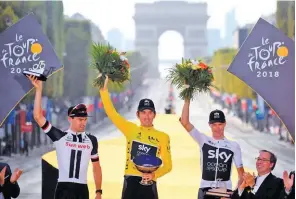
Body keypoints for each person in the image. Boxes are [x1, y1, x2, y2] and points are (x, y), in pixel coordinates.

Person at [28, 75, 103, 199]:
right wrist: (39, 89)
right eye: (80, 119)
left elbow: (96, 167)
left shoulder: (92, 140)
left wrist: (99, 192)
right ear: (70, 119)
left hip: (82, 189)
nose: (83, 123)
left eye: (85, 119)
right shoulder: (60, 137)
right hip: (64, 189)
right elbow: (37, 116)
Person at [99, 76, 172, 199]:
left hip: (150, 183)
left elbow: (168, 165)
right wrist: (103, 90)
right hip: (130, 182)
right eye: (143, 112)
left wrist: (154, 175)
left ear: (154, 114)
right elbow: (112, 113)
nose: (147, 116)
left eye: (150, 112)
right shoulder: (130, 129)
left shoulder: (163, 137)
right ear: (137, 114)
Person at [180, 99, 244, 199]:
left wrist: (234, 195)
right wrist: (187, 101)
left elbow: (242, 175)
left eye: (220, 124)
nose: (217, 128)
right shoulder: (203, 140)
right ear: (209, 125)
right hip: (205, 190)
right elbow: (184, 122)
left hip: (225, 191)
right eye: (214, 125)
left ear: (225, 124)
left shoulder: (234, 146)